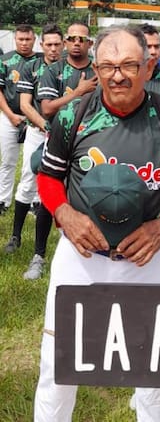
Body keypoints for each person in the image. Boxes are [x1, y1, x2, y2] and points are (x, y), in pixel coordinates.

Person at [33, 24, 160, 422]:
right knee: (59, 364)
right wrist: (63, 213)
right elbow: (48, 175)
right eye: (108, 65)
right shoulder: (75, 113)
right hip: (81, 256)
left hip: (148, 259)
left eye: (130, 64)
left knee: (157, 367)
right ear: (95, 67)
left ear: (148, 66)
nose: (118, 74)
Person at [5, 23, 63, 279]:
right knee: (28, 181)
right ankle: (15, 236)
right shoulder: (32, 67)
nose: (52, 48)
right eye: (48, 44)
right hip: (38, 131)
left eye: (56, 44)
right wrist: (45, 125)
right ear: (42, 45)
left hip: (68, 136)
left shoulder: (71, 67)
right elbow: (25, 104)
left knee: (64, 186)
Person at [0, 24, 42, 215]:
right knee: (8, 161)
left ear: (35, 40)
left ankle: (35, 201)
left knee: (34, 162)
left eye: (28, 39)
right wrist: (10, 115)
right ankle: (3, 200)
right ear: (15, 39)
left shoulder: (42, 61)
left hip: (36, 119)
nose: (24, 43)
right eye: (21, 39)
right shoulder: (6, 59)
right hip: (10, 116)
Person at [37, 22, 98, 122]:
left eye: (82, 39)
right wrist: (78, 92)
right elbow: (47, 110)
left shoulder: (98, 72)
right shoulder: (52, 70)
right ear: (65, 43)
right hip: (59, 132)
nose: (77, 43)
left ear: (90, 44)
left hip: (89, 134)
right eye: (72, 39)